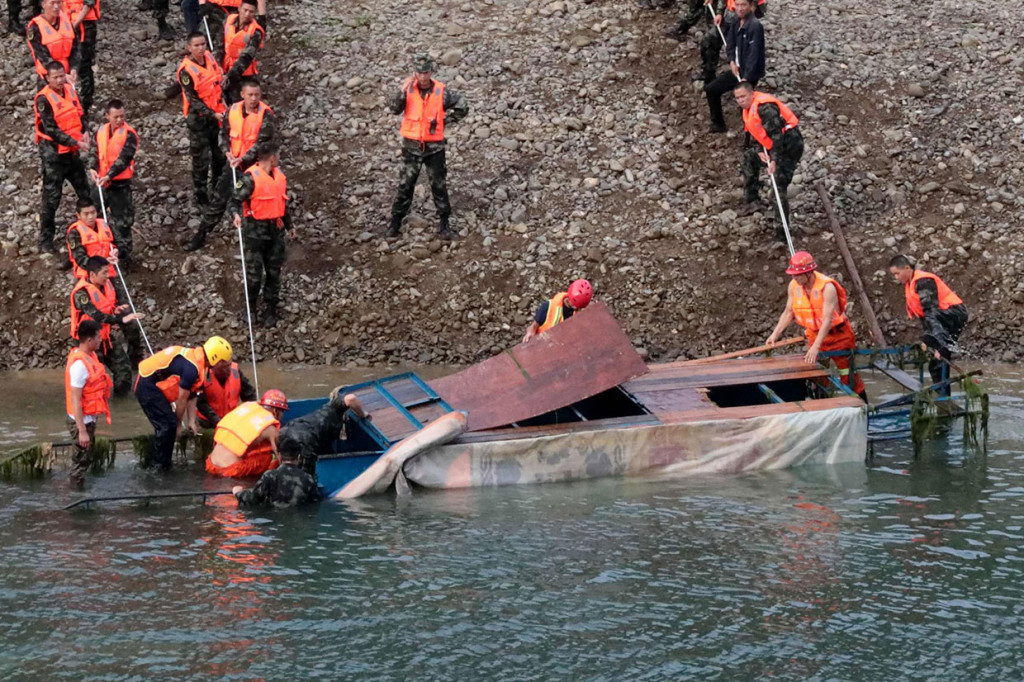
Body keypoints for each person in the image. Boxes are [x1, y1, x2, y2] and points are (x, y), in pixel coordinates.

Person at [184, 77, 274, 250]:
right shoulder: (232, 111)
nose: (254, 99)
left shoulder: (266, 114)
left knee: (257, 205)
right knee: (218, 200)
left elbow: (263, 143)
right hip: (233, 164)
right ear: (242, 95)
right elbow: (223, 134)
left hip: (255, 168)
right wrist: (227, 151)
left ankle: (261, 242)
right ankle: (201, 235)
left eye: (257, 95)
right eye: (250, 95)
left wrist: (244, 158)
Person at [386, 54, 469, 240]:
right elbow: (393, 109)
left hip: (435, 149)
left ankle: (444, 223)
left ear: (431, 72)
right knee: (405, 185)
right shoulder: (408, 90)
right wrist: (401, 90)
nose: (423, 76)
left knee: (438, 185)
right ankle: (395, 222)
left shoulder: (442, 91)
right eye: (419, 72)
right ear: (414, 73)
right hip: (411, 147)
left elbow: (463, 106)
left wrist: (445, 121)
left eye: (426, 72)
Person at [765, 251, 867, 400]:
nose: (794, 278)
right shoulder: (794, 286)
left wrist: (815, 347)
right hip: (814, 333)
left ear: (809, 272)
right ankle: (823, 404)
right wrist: (774, 335)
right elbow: (788, 312)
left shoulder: (827, 287)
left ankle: (862, 404)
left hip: (838, 335)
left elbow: (827, 320)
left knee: (848, 374)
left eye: (797, 275)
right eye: (792, 274)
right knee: (818, 376)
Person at [134, 336, 232, 470]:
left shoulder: (200, 363)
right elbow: (182, 399)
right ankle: (158, 467)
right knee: (168, 425)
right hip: (146, 385)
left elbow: (193, 394)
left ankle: (164, 462)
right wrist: (179, 424)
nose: (227, 365)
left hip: (154, 385)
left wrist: (191, 421)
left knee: (169, 424)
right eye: (224, 362)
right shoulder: (191, 368)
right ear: (215, 359)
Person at [733, 81, 803, 241]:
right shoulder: (747, 110)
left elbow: (778, 135)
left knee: (778, 188)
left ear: (752, 94)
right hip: (772, 146)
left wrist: (774, 160)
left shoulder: (766, 108)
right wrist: (759, 151)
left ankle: (782, 233)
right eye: (737, 98)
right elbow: (754, 135)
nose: (740, 101)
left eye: (743, 96)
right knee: (749, 157)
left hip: (789, 146)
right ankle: (752, 199)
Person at [230, 142, 291, 327]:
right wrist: (235, 215)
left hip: (276, 232)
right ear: (272, 157)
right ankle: (251, 308)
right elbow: (234, 199)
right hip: (255, 234)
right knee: (254, 275)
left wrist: (290, 225)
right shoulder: (250, 178)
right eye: (277, 155)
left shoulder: (279, 177)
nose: (278, 159)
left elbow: (282, 203)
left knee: (274, 273)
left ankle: (271, 309)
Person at [888, 255, 969, 393]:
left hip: (953, 315)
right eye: (894, 274)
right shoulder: (910, 285)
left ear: (907, 268)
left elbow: (931, 312)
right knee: (936, 365)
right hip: (943, 321)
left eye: (897, 273)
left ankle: (942, 346)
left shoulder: (923, 281)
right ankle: (944, 399)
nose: (896, 277)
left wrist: (938, 343)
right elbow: (923, 316)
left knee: (940, 350)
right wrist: (929, 340)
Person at [34, 60, 91, 255]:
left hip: (72, 153)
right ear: (47, 78)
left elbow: (80, 114)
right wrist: (76, 142)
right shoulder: (43, 100)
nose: (59, 80)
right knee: (51, 198)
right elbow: (51, 129)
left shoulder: (70, 90)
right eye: (55, 77)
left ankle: (91, 229)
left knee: (85, 190)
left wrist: (84, 132)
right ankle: (45, 240)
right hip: (54, 156)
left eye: (61, 76)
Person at [70, 256, 142, 394]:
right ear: (92, 274)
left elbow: (105, 307)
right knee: (95, 377)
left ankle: (121, 404)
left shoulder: (106, 285)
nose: (107, 276)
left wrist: (115, 310)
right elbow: (96, 315)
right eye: (104, 273)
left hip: (105, 336)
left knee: (124, 370)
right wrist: (121, 320)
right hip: (88, 340)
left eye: (108, 272)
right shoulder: (81, 293)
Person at [177, 31, 226, 210]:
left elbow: (217, 81)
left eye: (203, 44)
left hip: (217, 115)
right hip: (199, 119)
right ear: (189, 48)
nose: (200, 48)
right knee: (201, 160)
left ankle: (218, 189)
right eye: (196, 45)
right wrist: (212, 113)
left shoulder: (210, 58)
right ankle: (201, 196)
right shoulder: (186, 71)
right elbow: (193, 99)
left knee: (219, 154)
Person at [90, 99, 139, 267]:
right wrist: (93, 168)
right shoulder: (101, 130)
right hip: (101, 182)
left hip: (120, 184)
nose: (119, 120)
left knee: (123, 222)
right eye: (116, 117)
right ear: (107, 116)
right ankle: (97, 253)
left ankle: (124, 258)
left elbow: (124, 159)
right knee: (94, 215)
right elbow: (95, 151)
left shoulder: (129, 134)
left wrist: (109, 176)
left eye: (122, 116)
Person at [64, 319, 112, 488]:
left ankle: (78, 486)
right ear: (89, 340)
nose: (101, 340)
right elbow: (75, 400)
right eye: (99, 337)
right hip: (81, 422)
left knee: (84, 457)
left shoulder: (90, 356)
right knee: (80, 461)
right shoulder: (79, 366)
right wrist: (82, 431)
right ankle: (75, 495)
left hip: (89, 418)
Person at [703, 0, 763, 133]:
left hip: (750, 72)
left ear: (751, 7)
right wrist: (731, 61)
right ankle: (718, 124)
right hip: (738, 69)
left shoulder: (755, 26)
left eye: (743, 5)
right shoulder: (737, 22)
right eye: (738, 5)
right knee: (711, 90)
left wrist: (746, 78)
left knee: (747, 104)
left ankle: (752, 134)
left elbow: (754, 54)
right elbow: (730, 43)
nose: (740, 8)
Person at [277, 389, 368, 476]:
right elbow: (351, 398)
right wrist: (363, 414)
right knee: (306, 474)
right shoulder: (335, 409)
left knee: (282, 459)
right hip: (306, 437)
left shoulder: (328, 407)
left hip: (288, 428)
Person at [206, 389, 288, 478]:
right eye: (282, 411)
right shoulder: (270, 428)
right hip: (230, 469)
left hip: (210, 464)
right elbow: (281, 457)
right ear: (276, 411)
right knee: (270, 458)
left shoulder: (246, 408)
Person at [232, 439, 322, 508]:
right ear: (299, 457)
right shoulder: (308, 479)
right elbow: (315, 503)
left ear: (279, 456)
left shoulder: (269, 475)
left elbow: (253, 499)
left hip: (274, 519)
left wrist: (238, 493)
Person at [698, 0, 765, 83]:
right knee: (710, 41)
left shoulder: (754, 25)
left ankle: (747, 80)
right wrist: (719, 12)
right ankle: (709, 74)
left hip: (745, 19)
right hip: (730, 17)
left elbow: (754, 5)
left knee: (747, 50)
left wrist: (748, 18)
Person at [522, 279, 593, 342]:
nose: (578, 309)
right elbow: (533, 327)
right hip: (543, 343)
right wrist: (530, 333)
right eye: (576, 307)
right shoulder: (548, 307)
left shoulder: (577, 312)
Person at [26, 0, 79, 86]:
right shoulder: (35, 27)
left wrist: (74, 68)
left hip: (68, 74)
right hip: (49, 77)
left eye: (59, 3)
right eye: (52, 3)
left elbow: (75, 48)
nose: (56, 6)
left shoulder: (67, 21)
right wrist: (62, 76)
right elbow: (43, 57)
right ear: (44, 5)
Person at [221, 0, 263, 104]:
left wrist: (229, 77)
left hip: (243, 74)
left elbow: (246, 57)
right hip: (224, 67)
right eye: (245, 10)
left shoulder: (256, 31)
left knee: (240, 103)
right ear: (239, 8)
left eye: (251, 12)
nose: (247, 14)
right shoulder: (230, 19)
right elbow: (219, 43)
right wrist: (218, 67)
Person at [61, 0, 98, 116]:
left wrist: (74, 24)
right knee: (69, 63)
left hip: (83, 27)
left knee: (83, 65)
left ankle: (85, 103)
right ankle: (69, 100)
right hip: (68, 25)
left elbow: (88, 4)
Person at [196, 358, 257, 428]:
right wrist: (218, 421)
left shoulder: (235, 371)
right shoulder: (203, 375)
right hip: (207, 422)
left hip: (231, 419)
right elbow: (200, 404)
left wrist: (253, 413)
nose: (229, 370)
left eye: (229, 365)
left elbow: (249, 395)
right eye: (224, 367)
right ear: (214, 367)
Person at [65, 198, 115, 277]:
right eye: (86, 214)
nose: (91, 217)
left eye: (93, 212)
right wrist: (102, 263)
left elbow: (120, 242)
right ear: (78, 215)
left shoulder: (105, 225)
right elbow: (80, 259)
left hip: (107, 273)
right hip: (88, 275)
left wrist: (117, 251)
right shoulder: (75, 233)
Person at [199, 0, 265, 59]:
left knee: (236, 42)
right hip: (214, 8)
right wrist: (202, 4)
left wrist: (262, 15)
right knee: (205, 41)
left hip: (240, 9)